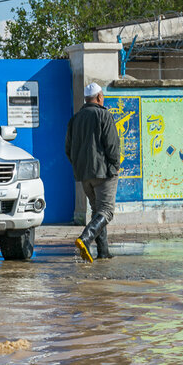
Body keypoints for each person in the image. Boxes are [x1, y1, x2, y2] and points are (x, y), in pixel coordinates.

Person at [66, 81, 120, 263]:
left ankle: (103, 252)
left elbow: (68, 149)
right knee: (106, 211)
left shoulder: (75, 119)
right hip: (103, 172)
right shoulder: (104, 115)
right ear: (99, 97)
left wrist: (79, 166)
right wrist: (115, 166)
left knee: (97, 210)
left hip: (83, 175)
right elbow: (112, 145)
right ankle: (85, 238)